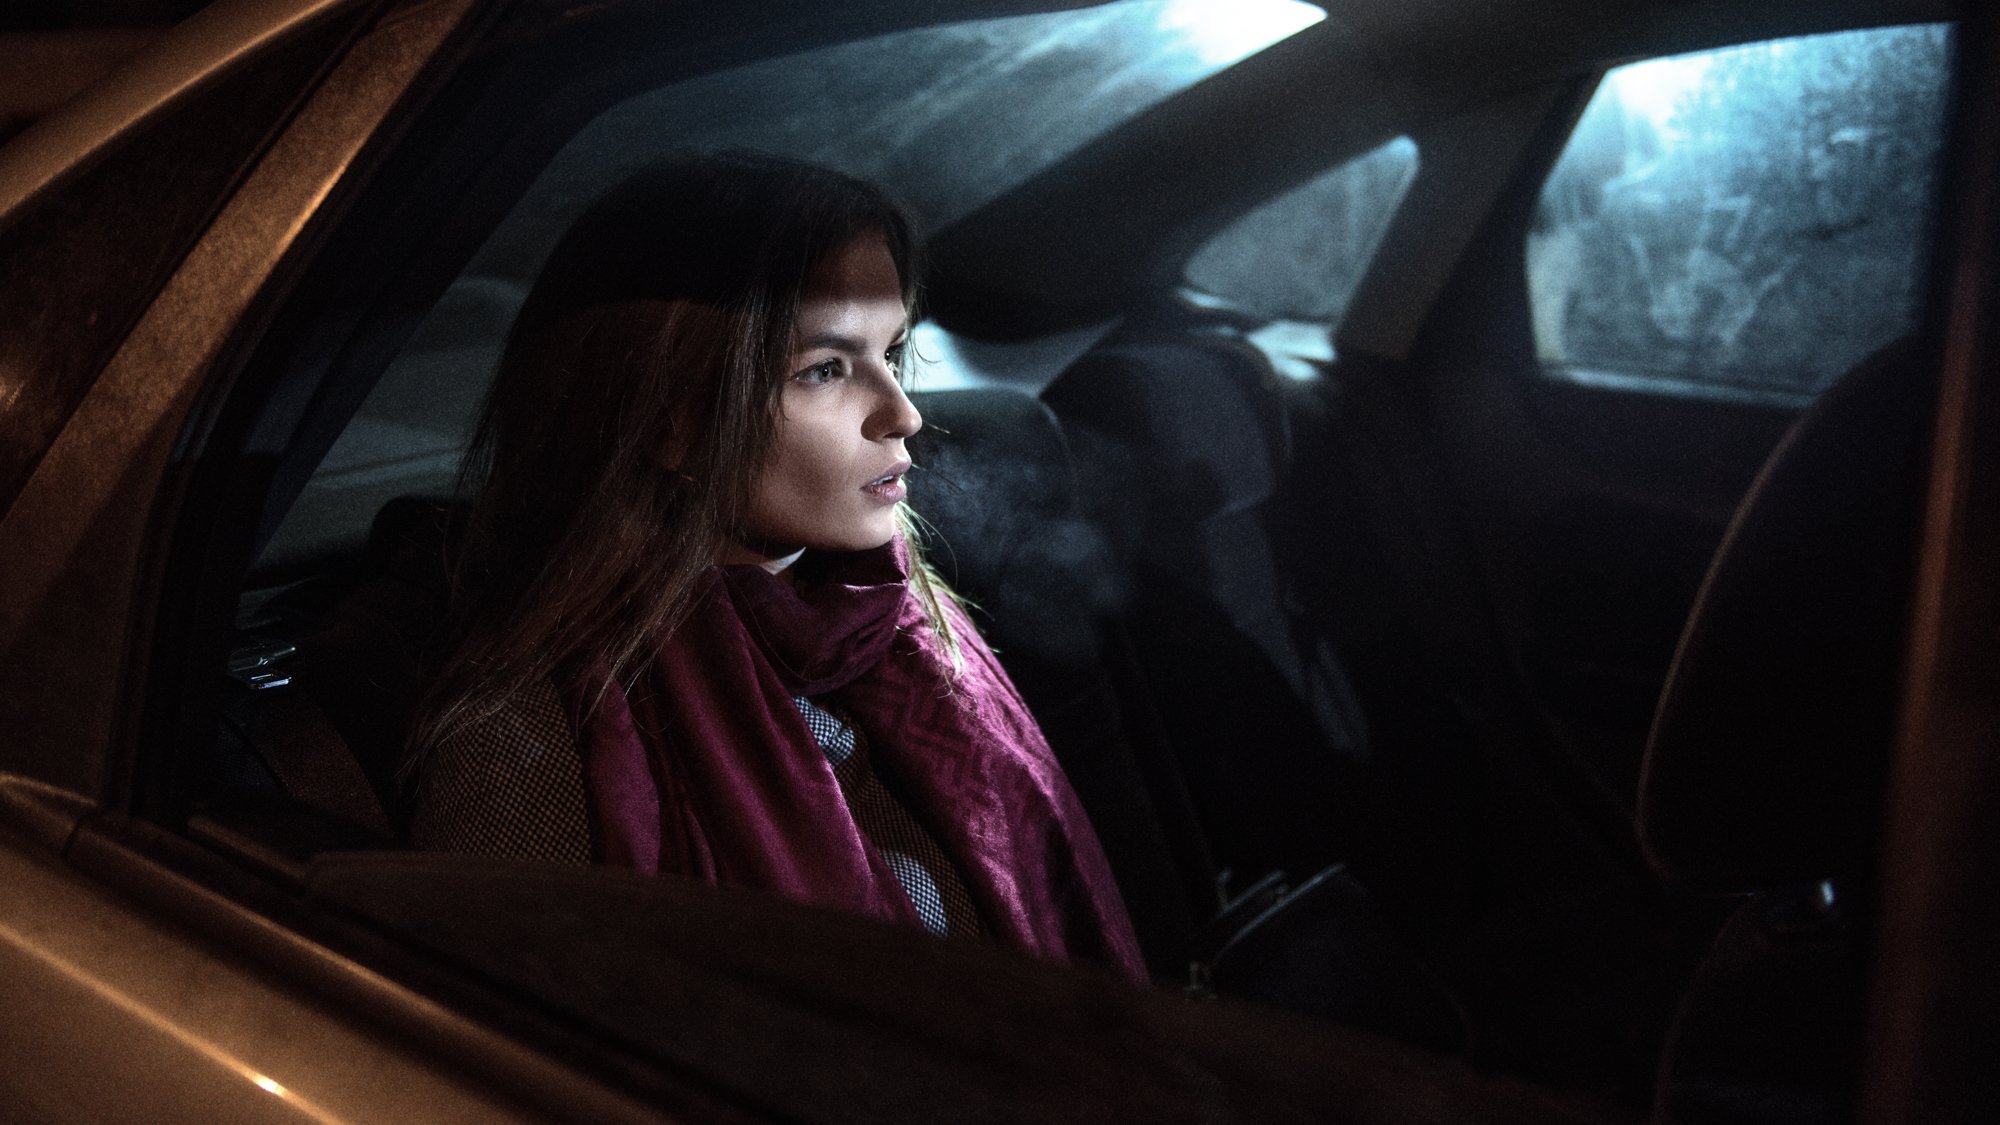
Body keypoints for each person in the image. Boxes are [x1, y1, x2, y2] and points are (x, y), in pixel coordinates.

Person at [407, 154, 1142, 979]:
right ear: (667, 417)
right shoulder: (531, 742)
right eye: (824, 369)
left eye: (893, 352)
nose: (904, 413)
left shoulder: (911, 623)